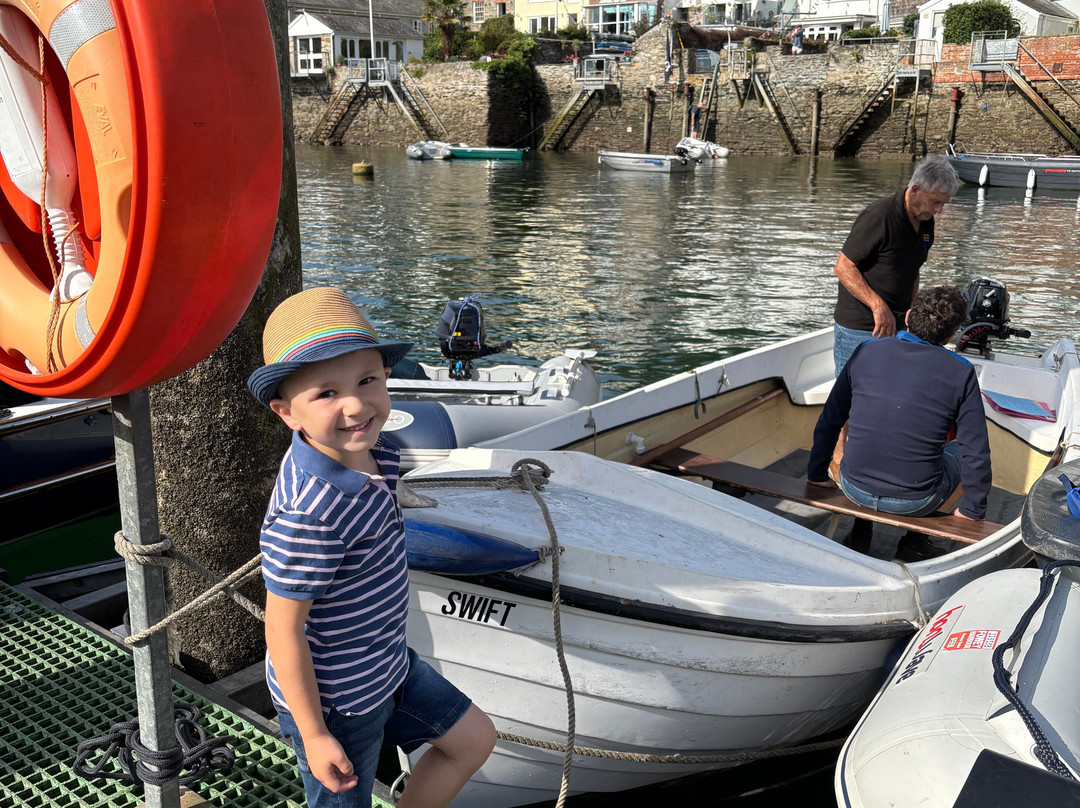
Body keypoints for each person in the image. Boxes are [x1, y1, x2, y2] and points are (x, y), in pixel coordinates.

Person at [247, 287, 496, 807]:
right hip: (337, 700)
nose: (357, 405)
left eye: (367, 381)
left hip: (385, 664)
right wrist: (315, 735)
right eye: (326, 393)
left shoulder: (375, 450)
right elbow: (283, 628)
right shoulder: (311, 513)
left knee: (473, 741)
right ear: (286, 412)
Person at [806, 286, 991, 559]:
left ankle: (860, 532)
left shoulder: (865, 351)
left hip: (853, 487)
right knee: (955, 449)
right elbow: (975, 450)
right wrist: (972, 511)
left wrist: (816, 474)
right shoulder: (960, 371)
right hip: (916, 501)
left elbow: (830, 419)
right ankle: (915, 542)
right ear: (951, 335)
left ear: (906, 318)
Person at [831, 154, 959, 374]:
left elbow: (914, 268)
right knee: (851, 394)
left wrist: (912, 311)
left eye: (943, 204)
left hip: (898, 324)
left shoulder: (926, 221)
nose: (939, 210)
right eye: (936, 202)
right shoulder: (879, 216)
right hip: (861, 326)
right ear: (916, 189)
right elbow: (843, 267)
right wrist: (878, 306)